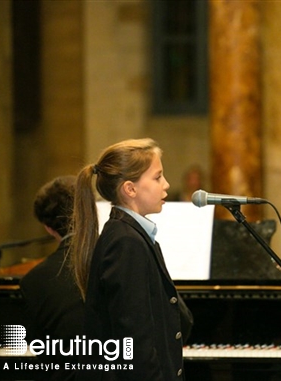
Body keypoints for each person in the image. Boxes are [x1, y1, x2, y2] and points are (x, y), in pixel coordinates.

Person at [70, 138, 193, 381]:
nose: (166, 184)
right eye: (158, 177)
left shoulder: (130, 235)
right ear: (130, 189)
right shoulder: (126, 242)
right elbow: (135, 341)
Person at [20, 175, 84, 381]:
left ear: (48, 228)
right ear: (91, 212)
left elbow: (37, 346)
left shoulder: (32, 281)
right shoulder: (119, 262)